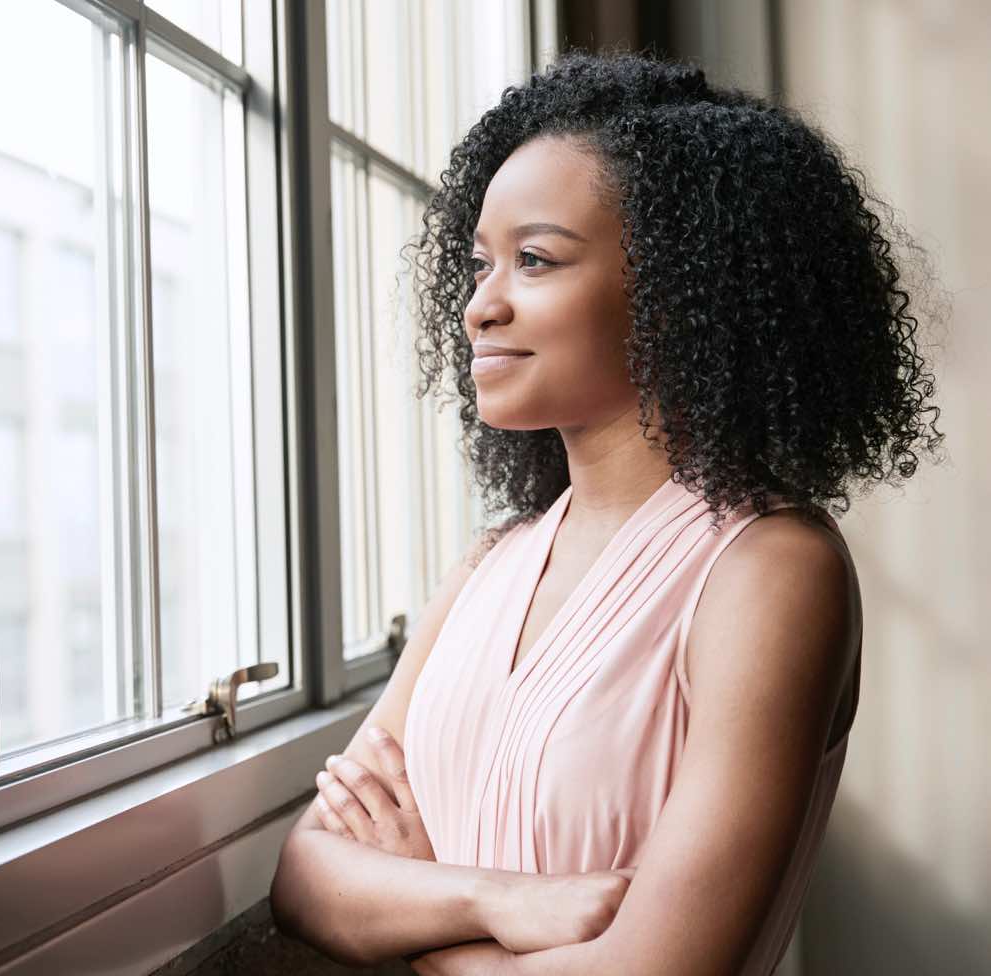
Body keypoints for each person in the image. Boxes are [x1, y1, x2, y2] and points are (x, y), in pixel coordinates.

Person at [269, 49, 945, 975]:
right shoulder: (490, 564)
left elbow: (657, 969)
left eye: (535, 260)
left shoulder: (771, 570)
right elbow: (305, 874)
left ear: (676, 292)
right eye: (479, 266)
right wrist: (497, 898)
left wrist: (417, 915)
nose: (478, 307)